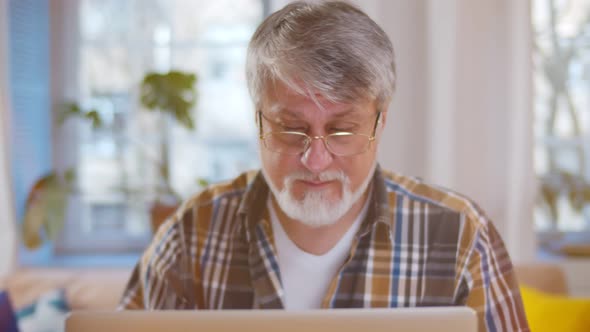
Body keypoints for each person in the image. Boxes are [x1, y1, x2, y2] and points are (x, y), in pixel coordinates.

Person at [119, 1, 529, 331]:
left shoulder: (459, 236)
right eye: (291, 128)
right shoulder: (191, 235)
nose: (315, 160)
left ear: (380, 121)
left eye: (342, 130)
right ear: (258, 118)